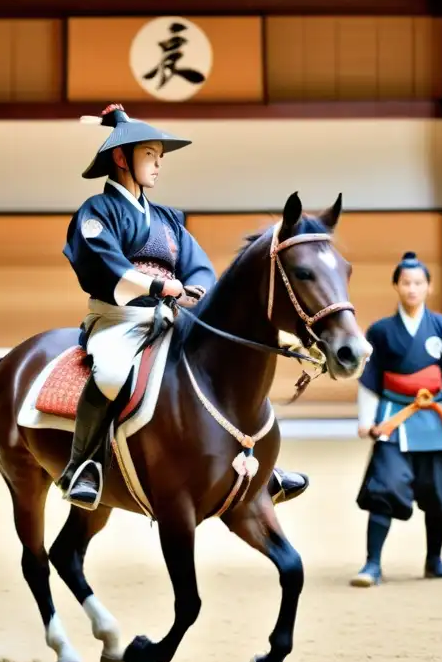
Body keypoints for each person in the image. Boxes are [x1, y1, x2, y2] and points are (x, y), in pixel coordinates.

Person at [57, 103, 309, 510]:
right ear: (122, 158)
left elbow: (199, 268)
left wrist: (195, 291)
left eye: (159, 157)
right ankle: (84, 464)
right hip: (121, 318)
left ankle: (260, 467)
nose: (158, 165)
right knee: (112, 373)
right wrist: (162, 284)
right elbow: (104, 262)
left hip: (172, 315)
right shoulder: (97, 211)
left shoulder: (168, 219)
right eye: (150, 156)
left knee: (226, 367)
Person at [350, 252, 442, 588]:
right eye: (406, 282)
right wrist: (366, 420)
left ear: (428, 286)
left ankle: (434, 561)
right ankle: (372, 565)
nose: (412, 289)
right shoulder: (380, 330)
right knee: (384, 486)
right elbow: (370, 380)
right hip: (394, 419)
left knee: (437, 492)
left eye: (418, 283)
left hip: (435, 421)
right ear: (396, 285)